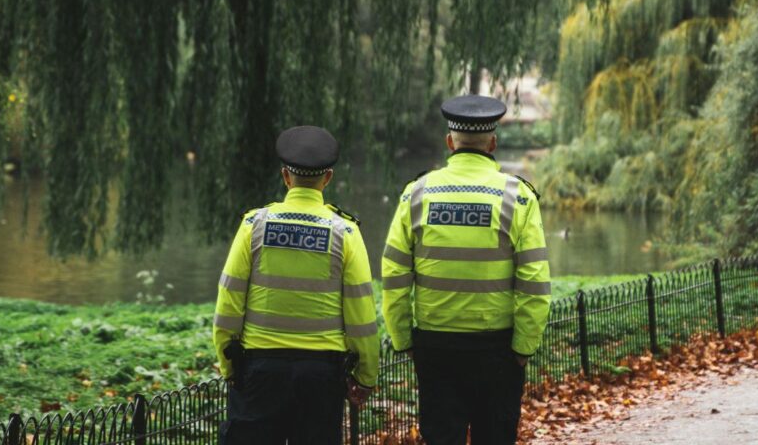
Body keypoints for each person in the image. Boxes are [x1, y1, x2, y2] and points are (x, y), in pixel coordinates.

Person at [381, 95, 551, 445]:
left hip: (436, 347)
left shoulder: (416, 195)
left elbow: (395, 276)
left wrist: (404, 340)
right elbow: (534, 282)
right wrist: (523, 347)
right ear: (493, 142)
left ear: (449, 142)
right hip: (498, 350)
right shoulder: (517, 197)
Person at [213, 125, 379, 445]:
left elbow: (229, 301)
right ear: (327, 178)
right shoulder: (345, 233)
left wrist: (228, 365)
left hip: (259, 369)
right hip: (321, 375)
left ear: (285, 177)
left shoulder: (254, 225)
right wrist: (366, 376)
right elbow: (361, 314)